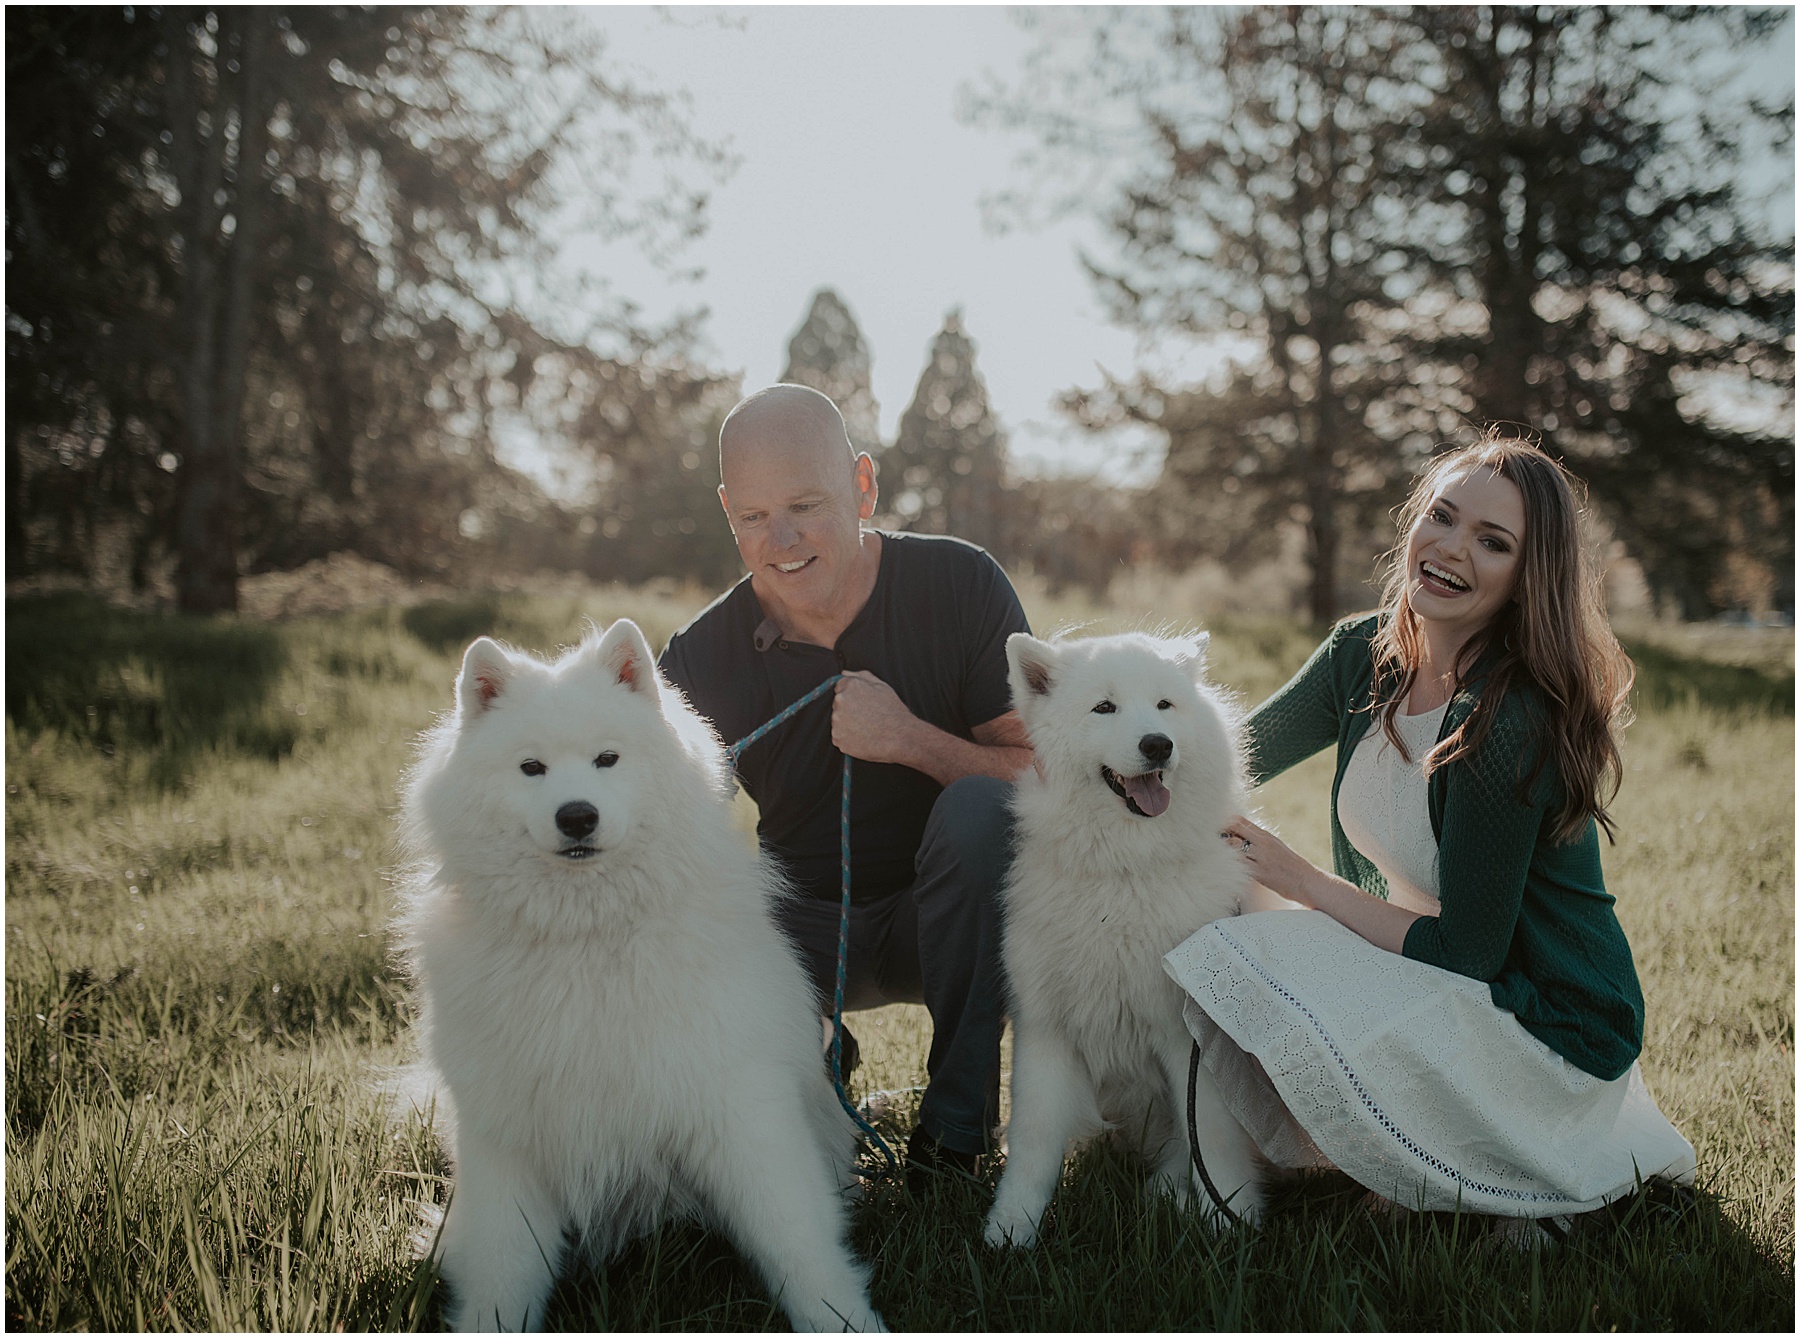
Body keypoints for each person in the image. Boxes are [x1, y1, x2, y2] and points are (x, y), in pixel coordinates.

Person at [1164, 434, 1694, 1246]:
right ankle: (1405, 1180)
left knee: (1237, 950)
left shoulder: (1505, 722)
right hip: (1436, 981)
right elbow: (1232, 760)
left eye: (1493, 542)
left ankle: (1213, 1222)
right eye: (1441, 517)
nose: (1451, 548)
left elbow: (1468, 954)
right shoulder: (1360, 656)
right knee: (1230, 899)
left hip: (1547, 1025)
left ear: (1527, 576)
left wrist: (1301, 880)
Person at [657, 384, 1032, 1192]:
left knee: (982, 809)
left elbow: (1048, 779)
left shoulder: (961, 585)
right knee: (708, 893)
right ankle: (814, 1074)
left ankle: (958, 1134)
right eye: (753, 516)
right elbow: (652, 827)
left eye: (805, 505)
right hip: (800, 936)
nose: (781, 540)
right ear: (727, 510)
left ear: (863, 486)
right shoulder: (698, 657)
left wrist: (908, 740)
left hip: (955, 921)